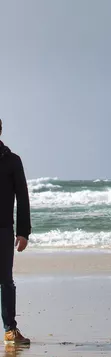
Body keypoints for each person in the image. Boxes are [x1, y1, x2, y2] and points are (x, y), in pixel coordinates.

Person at [0, 119, 31, 345]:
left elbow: (22, 197)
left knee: (6, 280)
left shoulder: (12, 161)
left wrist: (23, 232)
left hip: (3, 229)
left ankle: (10, 329)